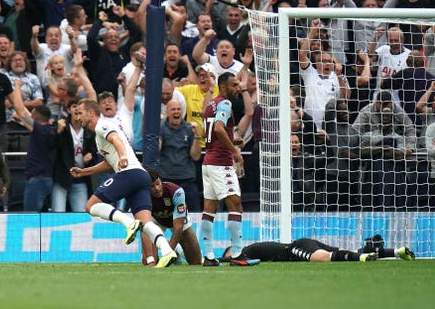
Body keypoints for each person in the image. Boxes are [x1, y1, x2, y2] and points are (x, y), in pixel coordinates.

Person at [69, 99, 178, 268]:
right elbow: (108, 162)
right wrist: (85, 172)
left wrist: (123, 157)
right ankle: (167, 251)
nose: (78, 117)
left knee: (90, 206)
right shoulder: (99, 136)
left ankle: (128, 223)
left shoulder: (102, 125)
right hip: (141, 176)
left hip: (129, 173)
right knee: (146, 222)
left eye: (80, 113)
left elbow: (116, 141)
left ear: (91, 113)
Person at [200, 72, 257, 267]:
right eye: (234, 85)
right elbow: (217, 128)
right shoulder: (225, 103)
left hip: (207, 162)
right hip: (220, 163)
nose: (237, 89)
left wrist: (232, 140)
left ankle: (208, 256)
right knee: (236, 206)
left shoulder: (210, 104)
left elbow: (208, 132)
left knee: (209, 210)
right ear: (223, 86)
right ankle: (238, 254)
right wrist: (234, 151)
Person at [141, 169, 202, 266]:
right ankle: (166, 245)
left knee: (196, 262)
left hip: (177, 221)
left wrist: (168, 253)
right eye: (152, 186)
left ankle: (176, 249)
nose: (157, 188)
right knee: (149, 262)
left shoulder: (176, 192)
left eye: (158, 183)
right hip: (156, 221)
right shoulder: (142, 196)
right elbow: (143, 223)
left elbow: (178, 227)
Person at [50, 97, 97, 213]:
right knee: (58, 214)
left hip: (81, 179)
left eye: (79, 108)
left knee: (81, 214)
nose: (77, 110)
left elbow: (95, 151)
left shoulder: (89, 130)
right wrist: (58, 132)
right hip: (62, 179)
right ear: (68, 110)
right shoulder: (61, 126)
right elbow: (49, 145)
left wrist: (91, 156)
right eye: (74, 106)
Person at [219, 237, 414, 263]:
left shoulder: (246, 252)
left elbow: (230, 260)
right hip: (302, 243)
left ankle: (363, 256)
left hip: (295, 248)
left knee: (320, 257)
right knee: (346, 251)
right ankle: (396, 251)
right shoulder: (251, 252)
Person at [159, 99, 202, 212]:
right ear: (167, 111)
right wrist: (156, 128)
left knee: (194, 213)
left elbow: (196, 157)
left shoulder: (189, 128)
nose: (176, 112)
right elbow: (156, 150)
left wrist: (197, 135)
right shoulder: (161, 128)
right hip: (166, 180)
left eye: (178, 109)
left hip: (187, 180)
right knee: (165, 214)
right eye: (173, 109)